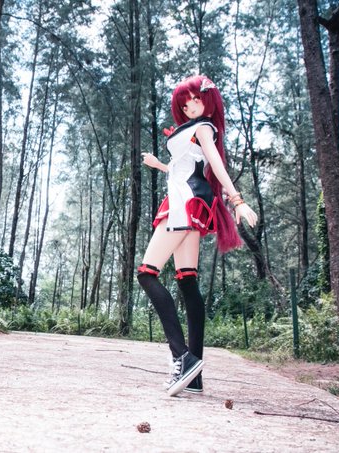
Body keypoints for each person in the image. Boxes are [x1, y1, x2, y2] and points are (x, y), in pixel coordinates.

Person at [138, 74, 258, 397]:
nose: (191, 106)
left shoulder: (204, 127)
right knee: (187, 280)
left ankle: (183, 357)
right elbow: (185, 167)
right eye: (185, 103)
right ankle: (195, 378)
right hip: (188, 200)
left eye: (196, 99)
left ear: (207, 99)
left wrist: (237, 200)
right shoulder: (192, 130)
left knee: (146, 273)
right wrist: (159, 165)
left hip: (183, 203)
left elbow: (215, 164)